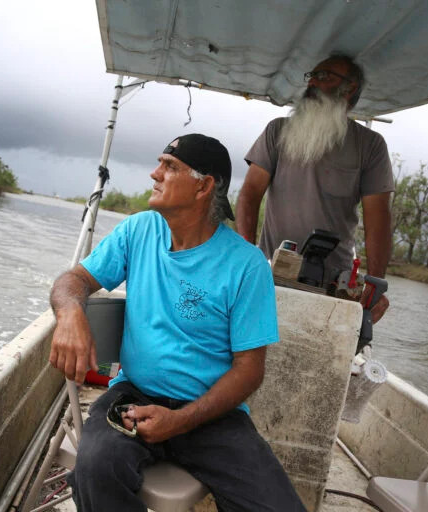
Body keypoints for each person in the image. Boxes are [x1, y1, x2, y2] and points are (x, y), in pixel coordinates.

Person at [49, 134, 306, 512]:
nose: (155, 174)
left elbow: (250, 371)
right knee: (96, 469)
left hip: (212, 414)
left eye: (170, 167)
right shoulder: (138, 231)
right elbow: (73, 281)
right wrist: (70, 312)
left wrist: (181, 420)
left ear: (204, 186)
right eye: (160, 164)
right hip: (134, 397)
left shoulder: (247, 265)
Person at [236, 54, 392, 324]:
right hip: (269, 273)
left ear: (350, 88)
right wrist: (247, 259)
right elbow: (249, 196)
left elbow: (378, 220)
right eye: (312, 76)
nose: (313, 84)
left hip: (334, 285)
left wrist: (376, 282)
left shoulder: (370, 146)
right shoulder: (277, 131)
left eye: (325, 77)